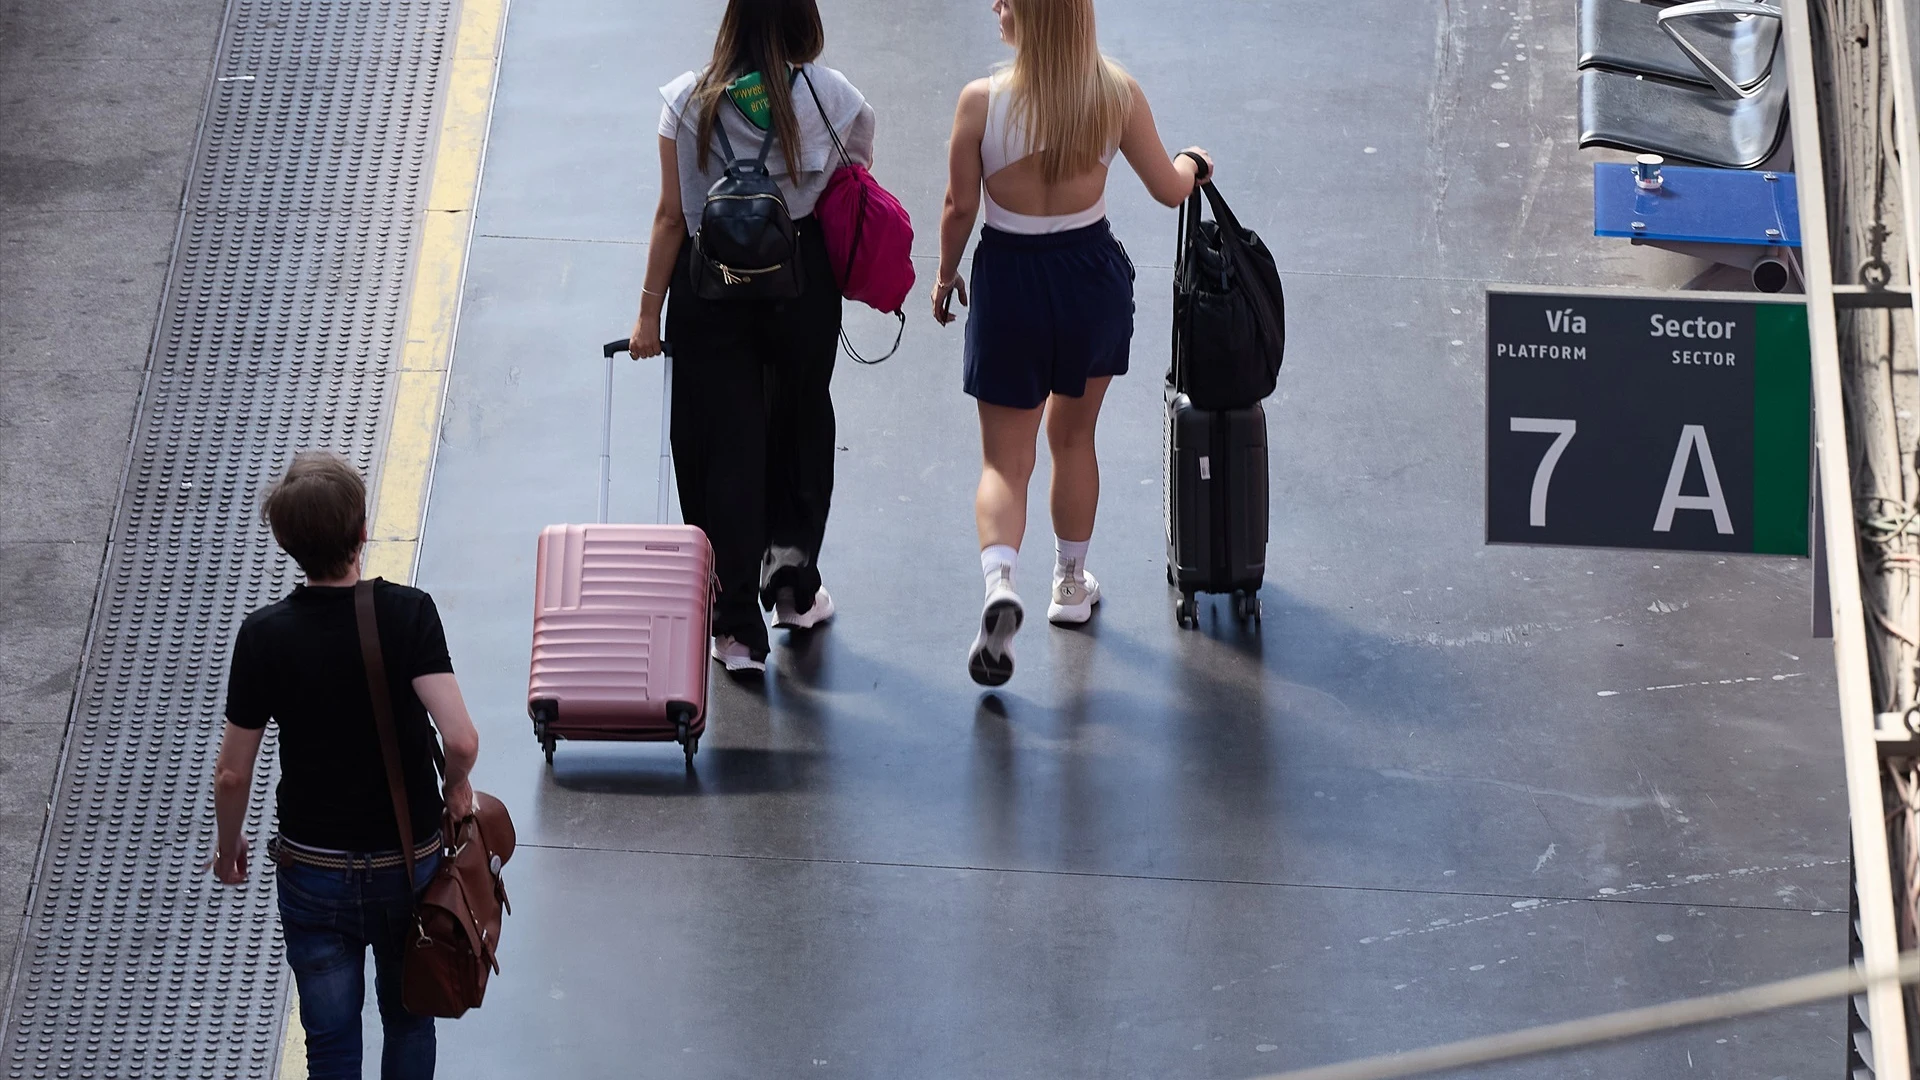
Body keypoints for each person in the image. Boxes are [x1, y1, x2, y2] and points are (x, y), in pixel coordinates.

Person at [934, 0, 1212, 685]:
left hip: (1010, 281)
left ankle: (1001, 582)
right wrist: (1195, 161)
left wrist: (945, 274)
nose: (995, 6)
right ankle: (1070, 583)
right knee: (1073, 439)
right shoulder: (1114, 94)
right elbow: (1169, 188)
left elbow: (959, 207)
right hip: (1090, 280)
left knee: (1005, 460)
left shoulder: (980, 102)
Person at [208, 451, 480, 1080]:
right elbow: (460, 739)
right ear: (363, 531)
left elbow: (231, 773)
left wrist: (230, 848)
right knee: (410, 1017)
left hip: (313, 871)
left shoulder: (263, 636)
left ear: (285, 543)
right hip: (406, 863)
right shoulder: (408, 613)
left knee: (330, 1046)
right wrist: (457, 785)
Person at [629, 0, 874, 674]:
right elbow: (853, 179)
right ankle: (793, 592)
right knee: (797, 424)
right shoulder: (834, 97)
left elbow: (671, 217)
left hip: (712, 288)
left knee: (722, 445)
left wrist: (648, 313)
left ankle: (735, 630)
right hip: (801, 285)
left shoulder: (685, 101)